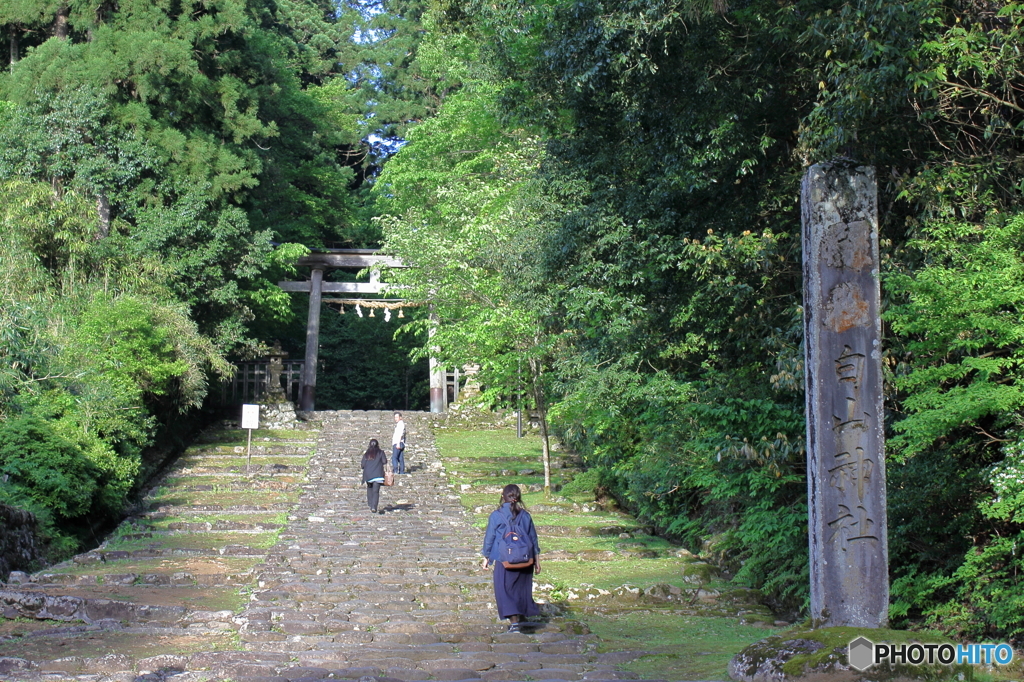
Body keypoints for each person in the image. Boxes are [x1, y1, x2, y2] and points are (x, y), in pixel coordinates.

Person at [481, 484, 541, 632]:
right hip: (525, 559)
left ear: (503, 497)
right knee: (521, 589)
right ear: (518, 497)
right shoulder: (526, 516)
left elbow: (490, 537)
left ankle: (514, 623)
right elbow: (533, 539)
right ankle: (521, 616)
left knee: (504, 590)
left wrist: (486, 557)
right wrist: (537, 561)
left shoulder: (496, 515)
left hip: (504, 559)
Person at [361, 439, 388, 514]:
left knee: (369, 489)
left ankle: (370, 504)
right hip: (377, 474)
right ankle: (374, 506)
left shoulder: (367, 454)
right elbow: (384, 461)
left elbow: (362, 465)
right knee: (376, 491)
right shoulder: (380, 452)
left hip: (368, 475)